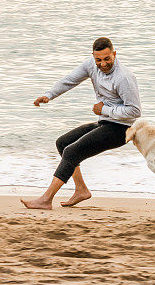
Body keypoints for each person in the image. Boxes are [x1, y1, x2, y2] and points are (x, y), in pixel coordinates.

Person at [20, 37, 142, 210]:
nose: (103, 63)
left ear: (114, 54)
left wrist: (104, 110)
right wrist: (49, 95)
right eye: (98, 59)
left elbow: (135, 111)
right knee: (63, 143)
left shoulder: (124, 77)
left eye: (107, 58)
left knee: (71, 152)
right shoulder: (91, 65)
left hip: (121, 129)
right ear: (93, 56)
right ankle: (81, 190)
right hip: (105, 123)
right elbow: (70, 80)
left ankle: (46, 200)